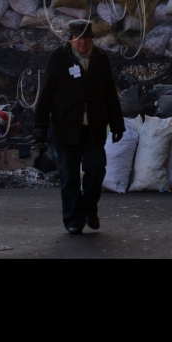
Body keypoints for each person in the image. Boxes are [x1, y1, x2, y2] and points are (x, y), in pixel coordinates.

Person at [33, 19, 125, 234]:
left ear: (91, 38)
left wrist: (117, 124)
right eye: (77, 37)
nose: (82, 42)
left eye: (86, 37)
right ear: (70, 39)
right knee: (69, 176)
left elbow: (110, 94)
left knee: (96, 168)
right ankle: (73, 219)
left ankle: (89, 209)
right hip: (66, 127)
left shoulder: (100, 58)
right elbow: (45, 92)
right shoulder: (58, 58)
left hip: (94, 127)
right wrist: (39, 124)